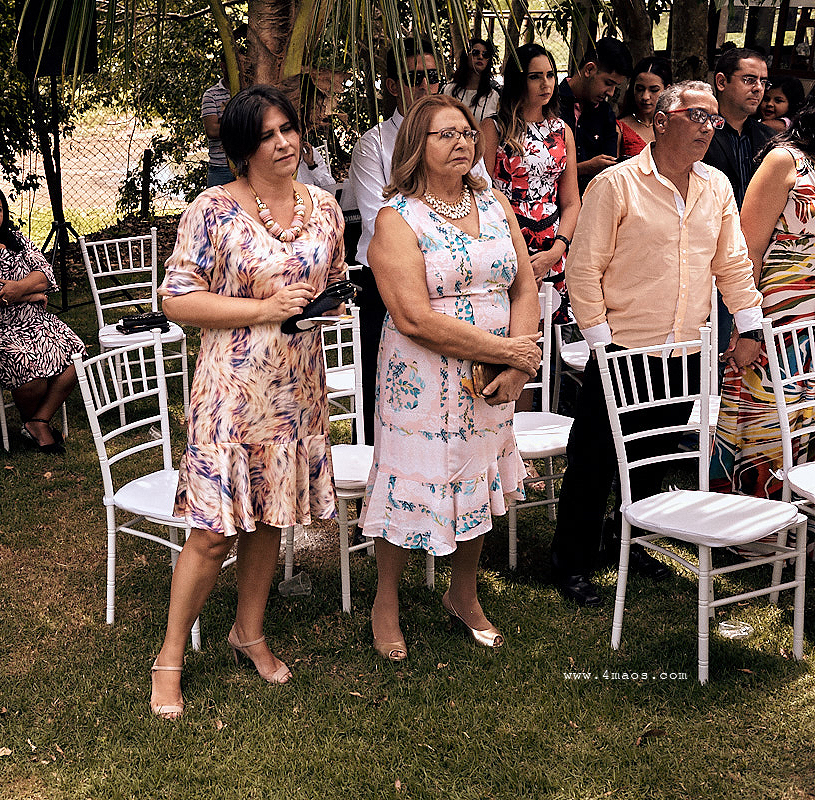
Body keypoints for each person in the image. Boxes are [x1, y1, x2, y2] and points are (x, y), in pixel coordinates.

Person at [149, 85, 345, 719]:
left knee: (271, 517)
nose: (284, 142)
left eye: (288, 128)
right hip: (231, 394)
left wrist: (327, 304)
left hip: (297, 389)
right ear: (242, 147)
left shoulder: (325, 207)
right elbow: (175, 299)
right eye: (267, 135)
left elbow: (332, 279)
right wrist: (263, 310)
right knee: (211, 535)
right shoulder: (212, 209)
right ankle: (170, 658)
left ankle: (248, 632)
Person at [551, 81, 765, 607]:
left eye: (713, 120)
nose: (708, 127)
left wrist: (750, 323)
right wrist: (603, 345)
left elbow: (732, 264)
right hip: (623, 348)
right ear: (663, 121)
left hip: (686, 349)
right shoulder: (616, 185)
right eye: (697, 115)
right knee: (596, 457)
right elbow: (583, 271)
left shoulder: (715, 186)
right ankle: (570, 562)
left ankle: (631, 540)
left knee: (653, 454)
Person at [362, 95, 540, 658]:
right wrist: (509, 350)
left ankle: (463, 593)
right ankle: (385, 601)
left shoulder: (495, 205)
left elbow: (524, 287)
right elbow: (414, 317)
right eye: (446, 134)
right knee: (408, 481)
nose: (463, 141)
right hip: (421, 380)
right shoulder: (397, 220)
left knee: (480, 472)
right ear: (417, 145)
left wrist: (516, 362)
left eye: (467, 132)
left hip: (493, 377)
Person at [712, 100, 815, 497]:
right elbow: (748, 248)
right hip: (778, 312)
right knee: (766, 410)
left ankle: (798, 526)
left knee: (807, 418)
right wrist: (745, 322)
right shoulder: (784, 161)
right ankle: (752, 524)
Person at [343, 36, 443, 445]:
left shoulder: (458, 136)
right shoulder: (374, 146)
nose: (424, 86)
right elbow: (377, 221)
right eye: (413, 77)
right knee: (379, 388)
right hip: (385, 283)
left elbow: (482, 202)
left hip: (447, 280)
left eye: (432, 76)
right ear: (391, 85)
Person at [0, 181, 83, 455]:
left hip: (36, 321)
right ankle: (38, 424)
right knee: (31, 373)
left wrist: (16, 289)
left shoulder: (16, 240)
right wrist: (32, 292)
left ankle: (37, 421)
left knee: (77, 357)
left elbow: (46, 273)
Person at [482, 43, 580, 290]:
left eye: (550, 75)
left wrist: (557, 250)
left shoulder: (562, 130)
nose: (546, 83)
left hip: (553, 245)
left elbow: (571, 201)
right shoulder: (493, 129)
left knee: (553, 323)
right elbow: (480, 197)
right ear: (517, 81)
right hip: (505, 240)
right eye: (535, 77)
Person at [702, 48, 772, 353]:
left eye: (763, 81)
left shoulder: (769, 139)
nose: (758, 88)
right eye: (748, 79)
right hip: (707, 256)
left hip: (753, 259)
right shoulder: (699, 131)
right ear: (721, 81)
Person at [558, 37, 633, 192]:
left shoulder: (606, 114)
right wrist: (584, 168)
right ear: (589, 70)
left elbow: (609, 166)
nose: (611, 93)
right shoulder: (551, 104)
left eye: (615, 87)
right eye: (608, 83)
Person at [617, 57, 671, 158]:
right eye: (640, 89)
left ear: (667, 90)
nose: (645, 97)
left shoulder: (674, 126)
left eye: (654, 90)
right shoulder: (620, 128)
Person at [444, 37, 502, 123]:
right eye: (475, 53)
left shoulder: (494, 96)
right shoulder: (448, 90)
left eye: (485, 54)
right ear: (466, 56)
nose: (480, 57)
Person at [202, 69, 233, 187]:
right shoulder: (211, 94)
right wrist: (241, 125)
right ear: (223, 66)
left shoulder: (247, 90)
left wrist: (222, 122)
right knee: (215, 205)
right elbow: (212, 130)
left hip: (247, 166)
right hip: (220, 168)